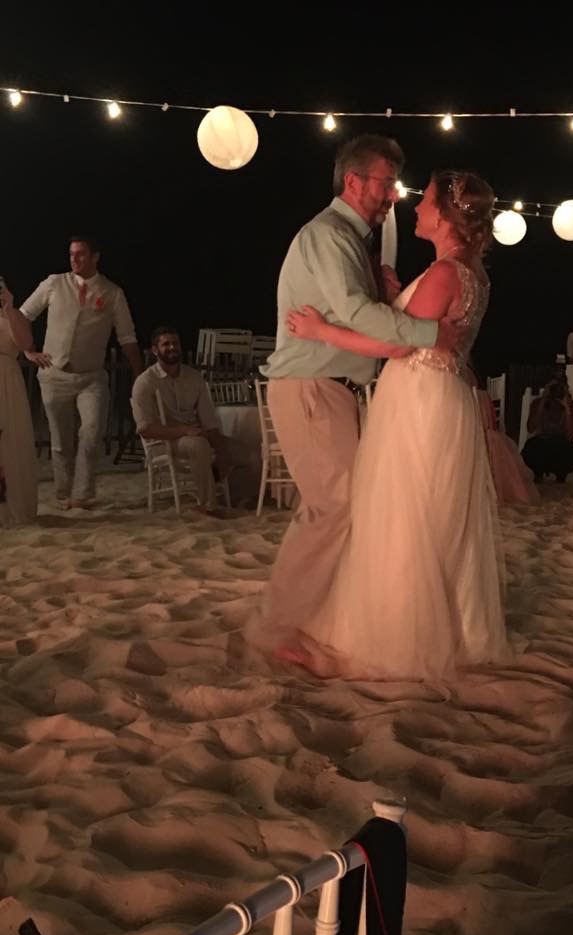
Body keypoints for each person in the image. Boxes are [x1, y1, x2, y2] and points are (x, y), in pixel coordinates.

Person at [281, 169, 509, 680]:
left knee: (404, 513)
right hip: (443, 397)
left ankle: (392, 634)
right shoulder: (469, 273)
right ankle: (450, 627)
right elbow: (422, 327)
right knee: (434, 514)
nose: (416, 207)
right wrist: (398, 294)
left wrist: (324, 331)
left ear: (446, 217)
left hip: (419, 400)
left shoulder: (447, 273)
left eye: (426, 201)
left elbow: (399, 344)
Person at [258, 135, 458, 635]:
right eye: (387, 183)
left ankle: (316, 619)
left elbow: (355, 315)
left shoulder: (350, 241)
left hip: (329, 386)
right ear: (353, 181)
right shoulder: (328, 235)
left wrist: (386, 294)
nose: (394, 195)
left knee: (343, 506)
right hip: (310, 385)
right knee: (335, 507)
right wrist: (433, 335)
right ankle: (283, 627)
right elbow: (354, 314)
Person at [5, 236, 143, 509]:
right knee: (60, 440)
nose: (74, 259)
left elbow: (127, 337)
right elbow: (23, 315)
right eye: (71, 254)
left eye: (80, 254)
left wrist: (139, 373)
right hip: (54, 375)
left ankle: (82, 495)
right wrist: (29, 351)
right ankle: (63, 494)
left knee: (91, 434)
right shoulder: (54, 283)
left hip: (91, 377)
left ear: (95, 257)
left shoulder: (112, 292)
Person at [131, 327, 230, 514]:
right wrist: (184, 431)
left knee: (239, 447)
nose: (172, 347)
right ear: (155, 350)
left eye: (175, 343)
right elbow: (145, 428)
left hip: (194, 434)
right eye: (165, 344)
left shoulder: (194, 378)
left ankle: (241, 495)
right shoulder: (145, 382)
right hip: (164, 440)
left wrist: (223, 451)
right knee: (198, 445)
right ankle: (208, 506)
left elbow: (209, 421)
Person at [0, 281, 38, 525]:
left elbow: (24, 344)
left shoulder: (12, 316)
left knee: (8, 441)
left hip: (5, 380)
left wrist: (9, 309)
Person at [522, 376, 573, 483]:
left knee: (572, 454)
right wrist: (542, 401)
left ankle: (561, 473)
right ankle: (538, 471)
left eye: (560, 388)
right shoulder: (538, 403)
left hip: (561, 444)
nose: (556, 392)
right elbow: (531, 428)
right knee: (530, 449)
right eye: (554, 388)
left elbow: (570, 436)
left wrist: (567, 409)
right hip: (542, 442)